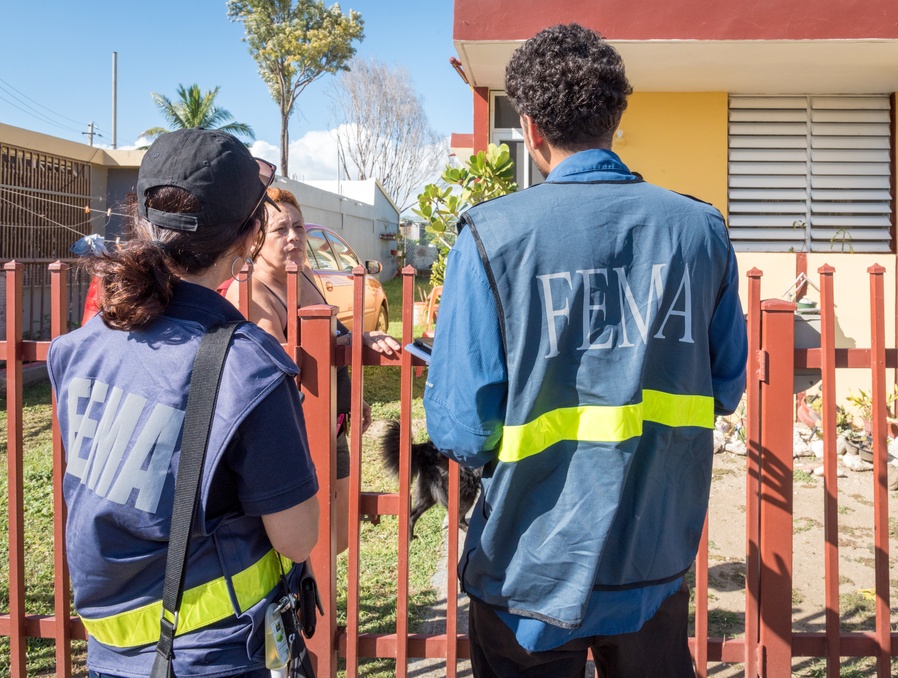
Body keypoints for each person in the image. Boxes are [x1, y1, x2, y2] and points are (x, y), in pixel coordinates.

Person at [424, 24, 748, 678]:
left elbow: (460, 430)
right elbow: (726, 385)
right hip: (654, 561)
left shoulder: (490, 237)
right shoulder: (699, 230)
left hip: (526, 569)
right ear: (616, 117)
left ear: (532, 126)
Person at [47, 128, 319, 678]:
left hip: (110, 659)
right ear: (250, 236)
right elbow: (298, 538)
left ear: (142, 219)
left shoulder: (77, 350)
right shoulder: (248, 367)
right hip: (215, 657)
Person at [224, 186, 399, 554]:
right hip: (291, 437)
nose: (293, 238)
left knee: (339, 534)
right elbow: (271, 379)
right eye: (280, 230)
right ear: (254, 239)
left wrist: (356, 383)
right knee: (302, 544)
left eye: (299, 228)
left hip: (331, 427)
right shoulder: (253, 295)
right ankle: (305, 608)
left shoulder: (303, 276)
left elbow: (329, 335)